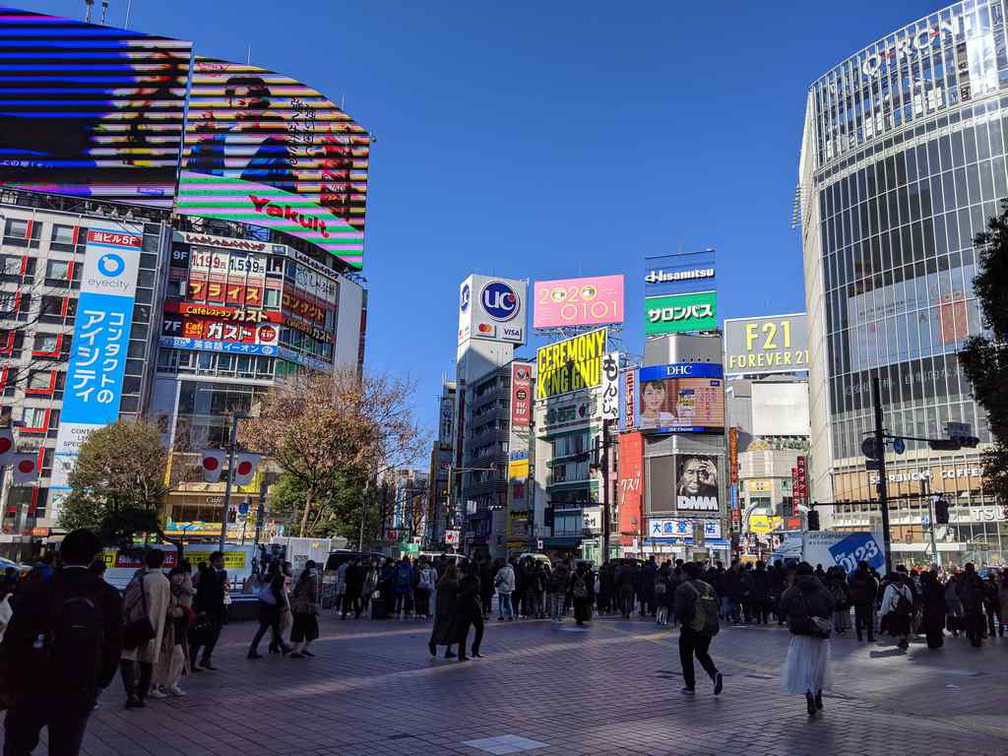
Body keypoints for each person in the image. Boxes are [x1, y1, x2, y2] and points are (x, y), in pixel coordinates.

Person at [1, 529, 122, 756]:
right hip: (79, 685)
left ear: (61, 554)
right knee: (66, 747)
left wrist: (8, 681)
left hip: (32, 682)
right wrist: (99, 683)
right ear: (94, 557)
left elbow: (14, 638)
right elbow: (114, 645)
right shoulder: (108, 594)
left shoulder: (39, 588)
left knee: (18, 745)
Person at [779, 562, 835, 716]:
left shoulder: (793, 590)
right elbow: (832, 605)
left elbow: (782, 607)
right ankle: (818, 696)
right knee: (819, 667)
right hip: (820, 633)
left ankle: (809, 697)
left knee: (804, 667)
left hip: (801, 632)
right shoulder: (821, 588)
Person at [120, 549, 171, 709]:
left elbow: (126, 605)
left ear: (145, 562)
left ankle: (131, 695)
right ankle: (141, 696)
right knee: (147, 663)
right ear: (162, 562)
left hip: (137, 625)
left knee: (127, 660)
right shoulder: (165, 581)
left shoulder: (141, 580)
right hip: (155, 628)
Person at [673, 562, 723, 696]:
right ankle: (715, 674)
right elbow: (718, 604)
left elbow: (679, 610)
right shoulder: (708, 587)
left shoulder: (683, 588)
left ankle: (690, 686)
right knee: (702, 653)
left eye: (682, 572)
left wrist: (680, 620)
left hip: (690, 626)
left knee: (686, 654)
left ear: (687, 574)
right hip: (708, 625)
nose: (681, 575)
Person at [150, 565, 194, 698]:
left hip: (178, 629)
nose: (180, 578)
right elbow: (165, 609)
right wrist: (182, 611)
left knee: (179, 657)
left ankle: (171, 684)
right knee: (163, 658)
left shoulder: (183, 591)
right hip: (166, 630)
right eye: (177, 575)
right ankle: (155, 686)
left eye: (182, 575)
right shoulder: (167, 589)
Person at [190, 551, 227, 670]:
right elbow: (203, 593)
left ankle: (206, 658)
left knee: (213, 635)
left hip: (217, 610)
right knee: (200, 636)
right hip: (207, 610)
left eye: (223, 560)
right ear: (214, 561)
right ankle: (192, 661)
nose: (223, 563)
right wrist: (202, 609)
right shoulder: (207, 574)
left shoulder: (221, 574)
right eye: (221, 560)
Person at [247, 567, 290, 658]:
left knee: (273, 629)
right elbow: (278, 592)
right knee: (266, 629)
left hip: (264, 606)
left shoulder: (267, 576)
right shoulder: (278, 578)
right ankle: (253, 649)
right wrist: (283, 604)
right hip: (272, 608)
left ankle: (281, 646)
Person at [289, 561, 320, 658]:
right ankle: (304, 648)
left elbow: (295, 592)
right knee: (312, 629)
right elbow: (313, 593)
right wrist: (314, 603)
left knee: (298, 628)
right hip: (307, 608)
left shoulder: (301, 577)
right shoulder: (313, 577)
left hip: (297, 606)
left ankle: (295, 649)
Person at [429, 564, 459, 659]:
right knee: (450, 629)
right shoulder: (454, 583)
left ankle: (434, 642)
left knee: (438, 627)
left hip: (441, 609)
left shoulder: (442, 582)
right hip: (451, 609)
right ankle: (447, 650)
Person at [456, 562, 484, 660]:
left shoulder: (463, 579)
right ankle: (475, 649)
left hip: (464, 607)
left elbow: (458, 590)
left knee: (464, 631)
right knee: (480, 628)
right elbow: (474, 591)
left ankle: (461, 653)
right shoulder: (476, 579)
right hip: (474, 607)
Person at [880, 571, 914, 650]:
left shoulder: (890, 587)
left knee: (897, 628)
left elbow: (886, 600)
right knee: (904, 626)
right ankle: (903, 640)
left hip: (894, 611)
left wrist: (883, 612)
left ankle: (903, 640)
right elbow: (910, 598)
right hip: (905, 611)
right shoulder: (905, 587)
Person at [957, 562, 986, 648]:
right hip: (970, 603)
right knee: (971, 620)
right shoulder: (963, 579)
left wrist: (980, 595)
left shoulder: (976, 578)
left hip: (975, 603)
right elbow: (958, 590)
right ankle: (973, 635)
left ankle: (976, 636)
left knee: (975, 620)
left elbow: (983, 589)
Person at [849, 561, 878, 642]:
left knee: (858, 619)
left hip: (857, 601)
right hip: (868, 601)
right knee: (869, 619)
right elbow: (874, 589)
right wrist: (871, 598)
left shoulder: (854, 577)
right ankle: (870, 637)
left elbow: (850, 588)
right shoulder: (870, 577)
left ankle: (859, 637)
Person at [920, 569, 946, 650]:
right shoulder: (938, 585)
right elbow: (942, 596)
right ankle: (938, 641)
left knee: (929, 627)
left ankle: (931, 642)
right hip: (938, 609)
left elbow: (924, 597)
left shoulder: (926, 586)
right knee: (937, 626)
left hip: (928, 609)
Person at [570, 561, 595, 627]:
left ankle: (578, 618)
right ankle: (583, 617)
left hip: (576, 593)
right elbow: (590, 584)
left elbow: (572, 584)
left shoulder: (574, 574)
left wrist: (571, 592)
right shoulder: (587, 573)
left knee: (577, 606)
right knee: (583, 606)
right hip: (584, 593)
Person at [549, 558, 571, 624]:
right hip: (561, 589)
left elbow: (551, 578)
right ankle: (559, 617)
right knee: (560, 604)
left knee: (554, 604)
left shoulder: (556, 570)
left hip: (553, 589)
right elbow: (568, 581)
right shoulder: (566, 571)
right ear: (567, 564)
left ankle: (553, 617)